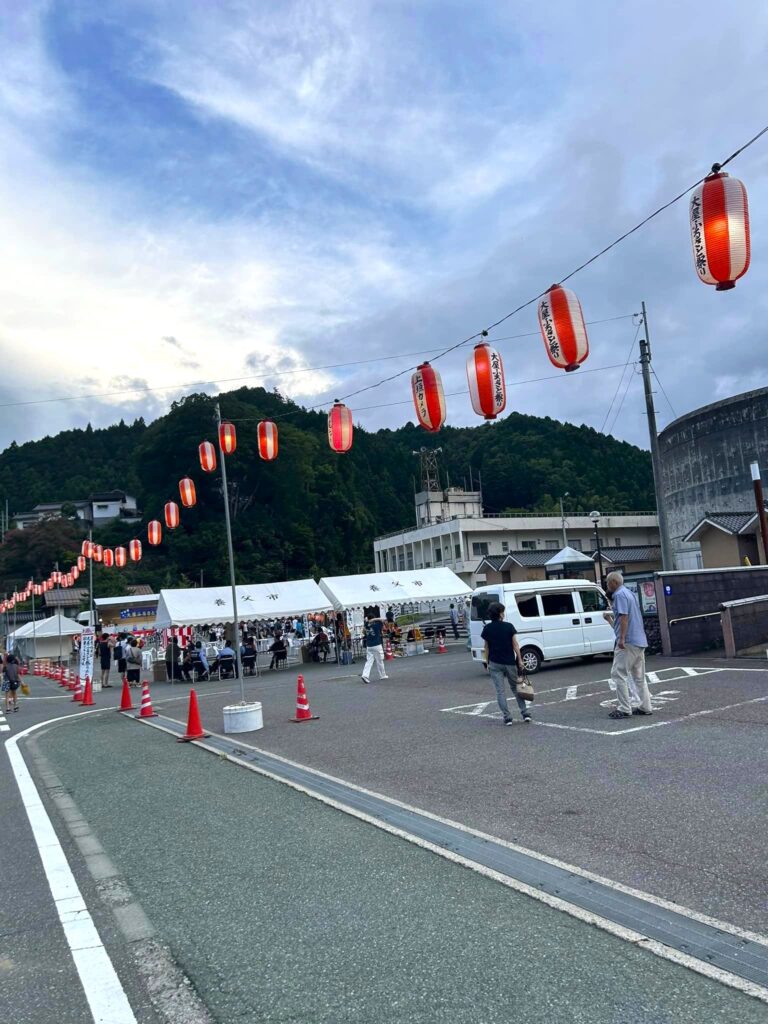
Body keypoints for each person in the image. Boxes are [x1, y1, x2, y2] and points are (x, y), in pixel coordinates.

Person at [604, 572, 653, 719]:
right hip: (639, 640)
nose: (607, 586)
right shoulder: (629, 594)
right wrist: (610, 620)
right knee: (639, 676)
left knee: (618, 674)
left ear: (613, 582)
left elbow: (624, 617)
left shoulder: (619, 595)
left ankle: (624, 708)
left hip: (628, 642)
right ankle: (645, 706)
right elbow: (624, 620)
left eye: (607, 583)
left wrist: (622, 639)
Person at [481, 602, 531, 725]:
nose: (503, 613)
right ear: (500, 614)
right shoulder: (509, 626)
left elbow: (486, 647)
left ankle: (507, 717)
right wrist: (520, 660)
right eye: (502, 611)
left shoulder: (487, 628)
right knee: (516, 688)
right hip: (509, 662)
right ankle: (525, 713)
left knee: (500, 691)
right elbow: (515, 645)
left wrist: (486, 662)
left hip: (494, 662)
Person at [361, 614, 388, 684]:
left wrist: (370, 620)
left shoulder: (366, 625)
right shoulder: (377, 625)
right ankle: (382, 675)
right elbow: (382, 620)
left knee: (369, 661)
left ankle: (365, 675)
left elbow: (363, 631)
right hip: (377, 645)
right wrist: (376, 619)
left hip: (369, 646)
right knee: (380, 661)